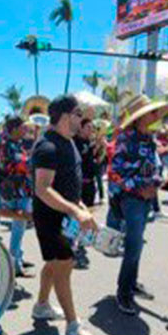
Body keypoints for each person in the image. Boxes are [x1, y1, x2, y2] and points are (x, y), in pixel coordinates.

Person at [30, 94, 103, 335]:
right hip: (50, 217)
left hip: (66, 216)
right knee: (64, 265)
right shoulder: (46, 146)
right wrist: (74, 210)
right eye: (78, 114)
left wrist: (81, 208)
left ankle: (41, 306)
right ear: (64, 116)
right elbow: (43, 189)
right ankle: (73, 327)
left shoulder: (69, 143)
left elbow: (69, 183)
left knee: (53, 263)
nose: (82, 119)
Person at [107, 94, 168, 314]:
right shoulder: (125, 139)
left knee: (137, 244)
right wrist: (138, 188)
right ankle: (123, 293)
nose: (154, 116)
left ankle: (131, 284)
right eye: (150, 113)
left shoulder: (148, 139)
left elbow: (154, 172)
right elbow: (114, 172)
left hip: (144, 201)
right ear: (139, 117)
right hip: (131, 200)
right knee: (133, 246)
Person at [0, 116, 34, 276]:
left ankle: (18, 257)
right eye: (23, 127)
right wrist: (31, 160)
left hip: (20, 189)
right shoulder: (6, 145)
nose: (26, 130)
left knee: (20, 226)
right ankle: (15, 266)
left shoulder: (16, 144)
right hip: (15, 190)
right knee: (19, 227)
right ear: (14, 129)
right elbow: (19, 164)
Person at [73, 113, 97, 269]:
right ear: (80, 128)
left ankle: (81, 242)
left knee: (88, 213)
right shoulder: (74, 143)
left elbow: (95, 163)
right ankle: (74, 247)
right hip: (80, 184)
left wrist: (97, 150)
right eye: (88, 127)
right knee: (77, 217)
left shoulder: (89, 142)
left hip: (90, 183)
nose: (91, 130)